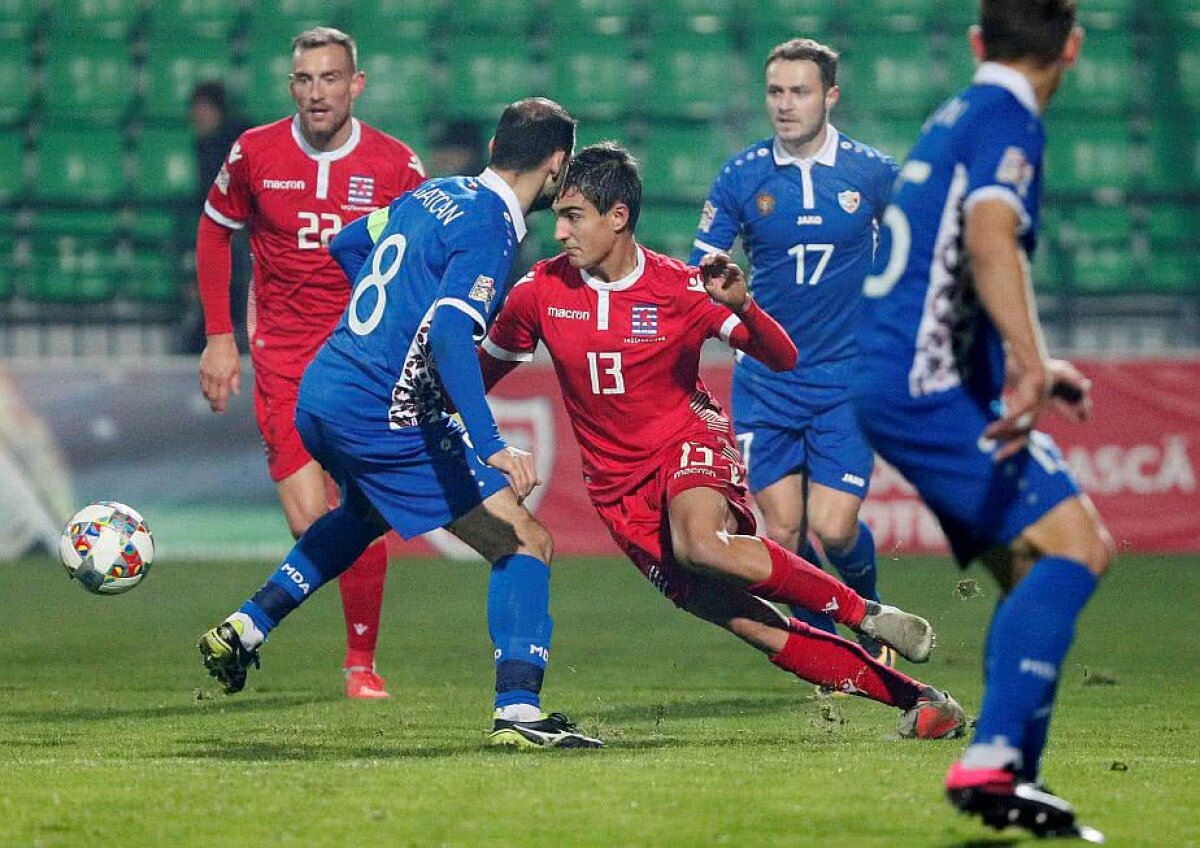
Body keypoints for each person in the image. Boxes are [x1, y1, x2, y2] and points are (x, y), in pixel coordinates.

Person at [479, 143, 966, 739]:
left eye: (573, 215)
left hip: (688, 444)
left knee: (702, 545)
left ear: (618, 216)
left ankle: (865, 612)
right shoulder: (539, 292)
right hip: (617, 492)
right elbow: (478, 375)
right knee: (753, 625)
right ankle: (923, 702)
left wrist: (743, 306)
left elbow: (782, 358)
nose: (558, 232)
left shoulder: (681, 287)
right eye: (556, 215)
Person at [199, 97, 604, 750]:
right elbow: (448, 334)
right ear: (557, 166)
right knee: (525, 541)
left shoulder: (437, 194)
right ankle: (520, 713)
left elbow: (347, 242)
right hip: (379, 408)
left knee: (363, 515)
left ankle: (246, 627)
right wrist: (491, 443)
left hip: (324, 387)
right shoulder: (492, 228)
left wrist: (389, 325)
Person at [851, 1, 1112, 838]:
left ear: (977, 42)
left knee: (1032, 571)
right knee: (1079, 549)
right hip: (923, 389)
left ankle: (1013, 779)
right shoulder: (1009, 116)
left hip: (896, 380)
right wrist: (1031, 363)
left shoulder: (957, 112)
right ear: (1071, 45)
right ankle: (996, 763)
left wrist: (1034, 365)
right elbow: (989, 234)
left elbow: (948, 271)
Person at [194, 27, 427, 700]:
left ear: (356, 85)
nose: (317, 92)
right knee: (309, 521)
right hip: (286, 360)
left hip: (362, 363)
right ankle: (257, 628)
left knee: (363, 507)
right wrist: (218, 336)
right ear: (291, 85)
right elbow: (215, 230)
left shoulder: (395, 166)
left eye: (331, 78)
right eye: (305, 79)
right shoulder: (255, 152)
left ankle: (360, 664)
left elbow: (422, 256)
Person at [688, 39, 899, 662]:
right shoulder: (742, 175)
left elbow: (920, 247)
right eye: (776, 91)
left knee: (834, 529)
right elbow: (702, 267)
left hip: (847, 378)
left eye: (800, 92)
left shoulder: (871, 173)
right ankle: (832, 653)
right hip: (768, 377)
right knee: (779, 530)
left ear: (829, 96)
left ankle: (871, 614)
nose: (785, 105)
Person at [185, 81, 251, 354]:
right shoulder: (205, 144)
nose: (197, 116)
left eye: (203, 109)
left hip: (241, 232)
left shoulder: (235, 144)